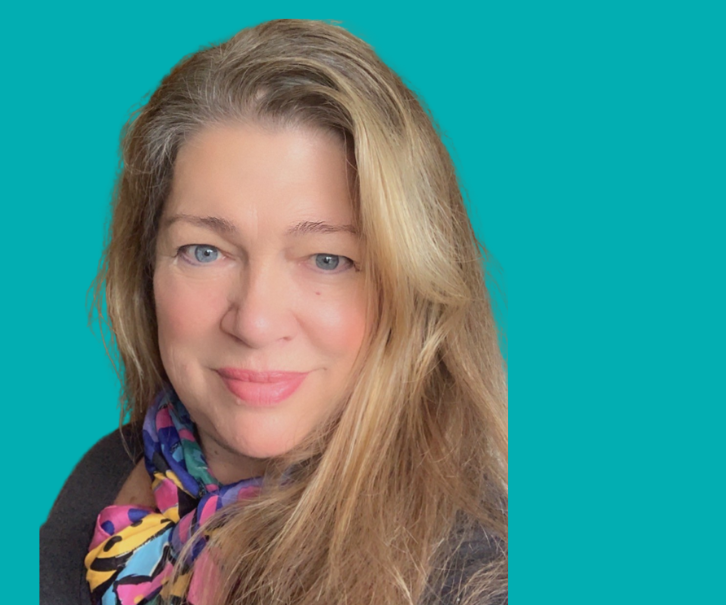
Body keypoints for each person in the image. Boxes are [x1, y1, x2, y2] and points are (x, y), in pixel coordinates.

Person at [40, 19, 507, 605]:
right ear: (146, 271)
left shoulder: (479, 572)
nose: (255, 321)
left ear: (413, 287)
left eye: (328, 259)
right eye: (204, 251)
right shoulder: (106, 476)